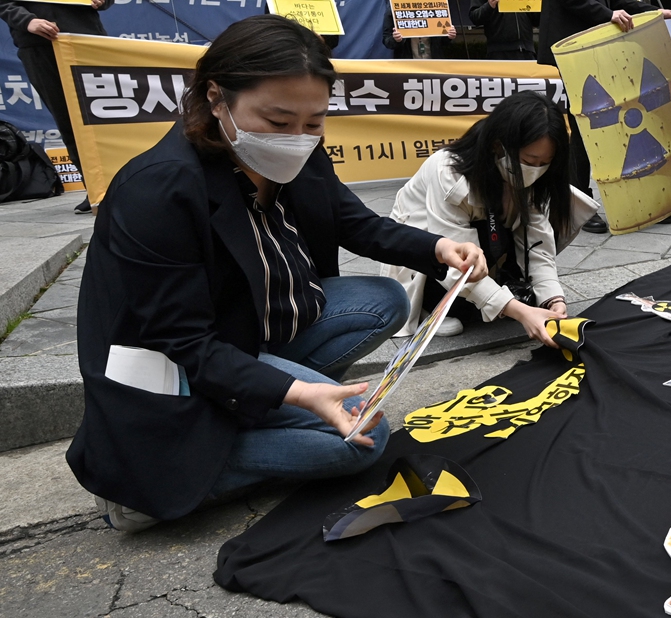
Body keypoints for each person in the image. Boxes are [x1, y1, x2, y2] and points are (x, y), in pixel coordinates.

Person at [67, 15, 487, 532]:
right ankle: (149, 483)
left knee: (383, 300)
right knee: (366, 442)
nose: (298, 137)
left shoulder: (299, 151)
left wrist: (441, 246)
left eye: (315, 121)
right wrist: (304, 394)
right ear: (217, 97)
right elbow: (184, 345)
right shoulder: (160, 190)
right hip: (178, 372)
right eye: (279, 121)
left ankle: (268, 402)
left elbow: (353, 222)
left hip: (243, 332)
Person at [380, 91, 598, 346]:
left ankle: (486, 299)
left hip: (484, 248)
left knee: (503, 255)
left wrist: (553, 299)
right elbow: (454, 260)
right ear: (498, 146)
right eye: (529, 161)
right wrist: (521, 312)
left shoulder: (532, 178)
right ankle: (432, 305)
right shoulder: (450, 173)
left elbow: (537, 245)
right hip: (430, 258)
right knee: (465, 273)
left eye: (545, 163)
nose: (536, 171)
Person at [538, 0, 671, 233]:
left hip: (599, 40)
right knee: (585, 125)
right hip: (573, 45)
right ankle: (577, 205)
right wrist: (608, 14)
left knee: (623, 116)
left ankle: (637, 200)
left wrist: (651, 12)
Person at [0, 0, 112, 214]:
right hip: (40, 42)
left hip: (86, 37)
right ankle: (97, 189)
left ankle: (126, 183)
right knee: (68, 119)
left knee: (105, 115)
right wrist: (27, 20)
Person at [383, 2, 458, 59]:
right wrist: (396, 40)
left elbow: (442, 42)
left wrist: (449, 36)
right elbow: (387, 41)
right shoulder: (394, 8)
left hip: (435, 64)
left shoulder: (437, 6)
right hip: (407, 65)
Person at [469, 0, 537, 60]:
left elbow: (537, 20)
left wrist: (541, 7)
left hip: (527, 52)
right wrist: (489, 6)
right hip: (499, 53)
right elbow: (474, 16)